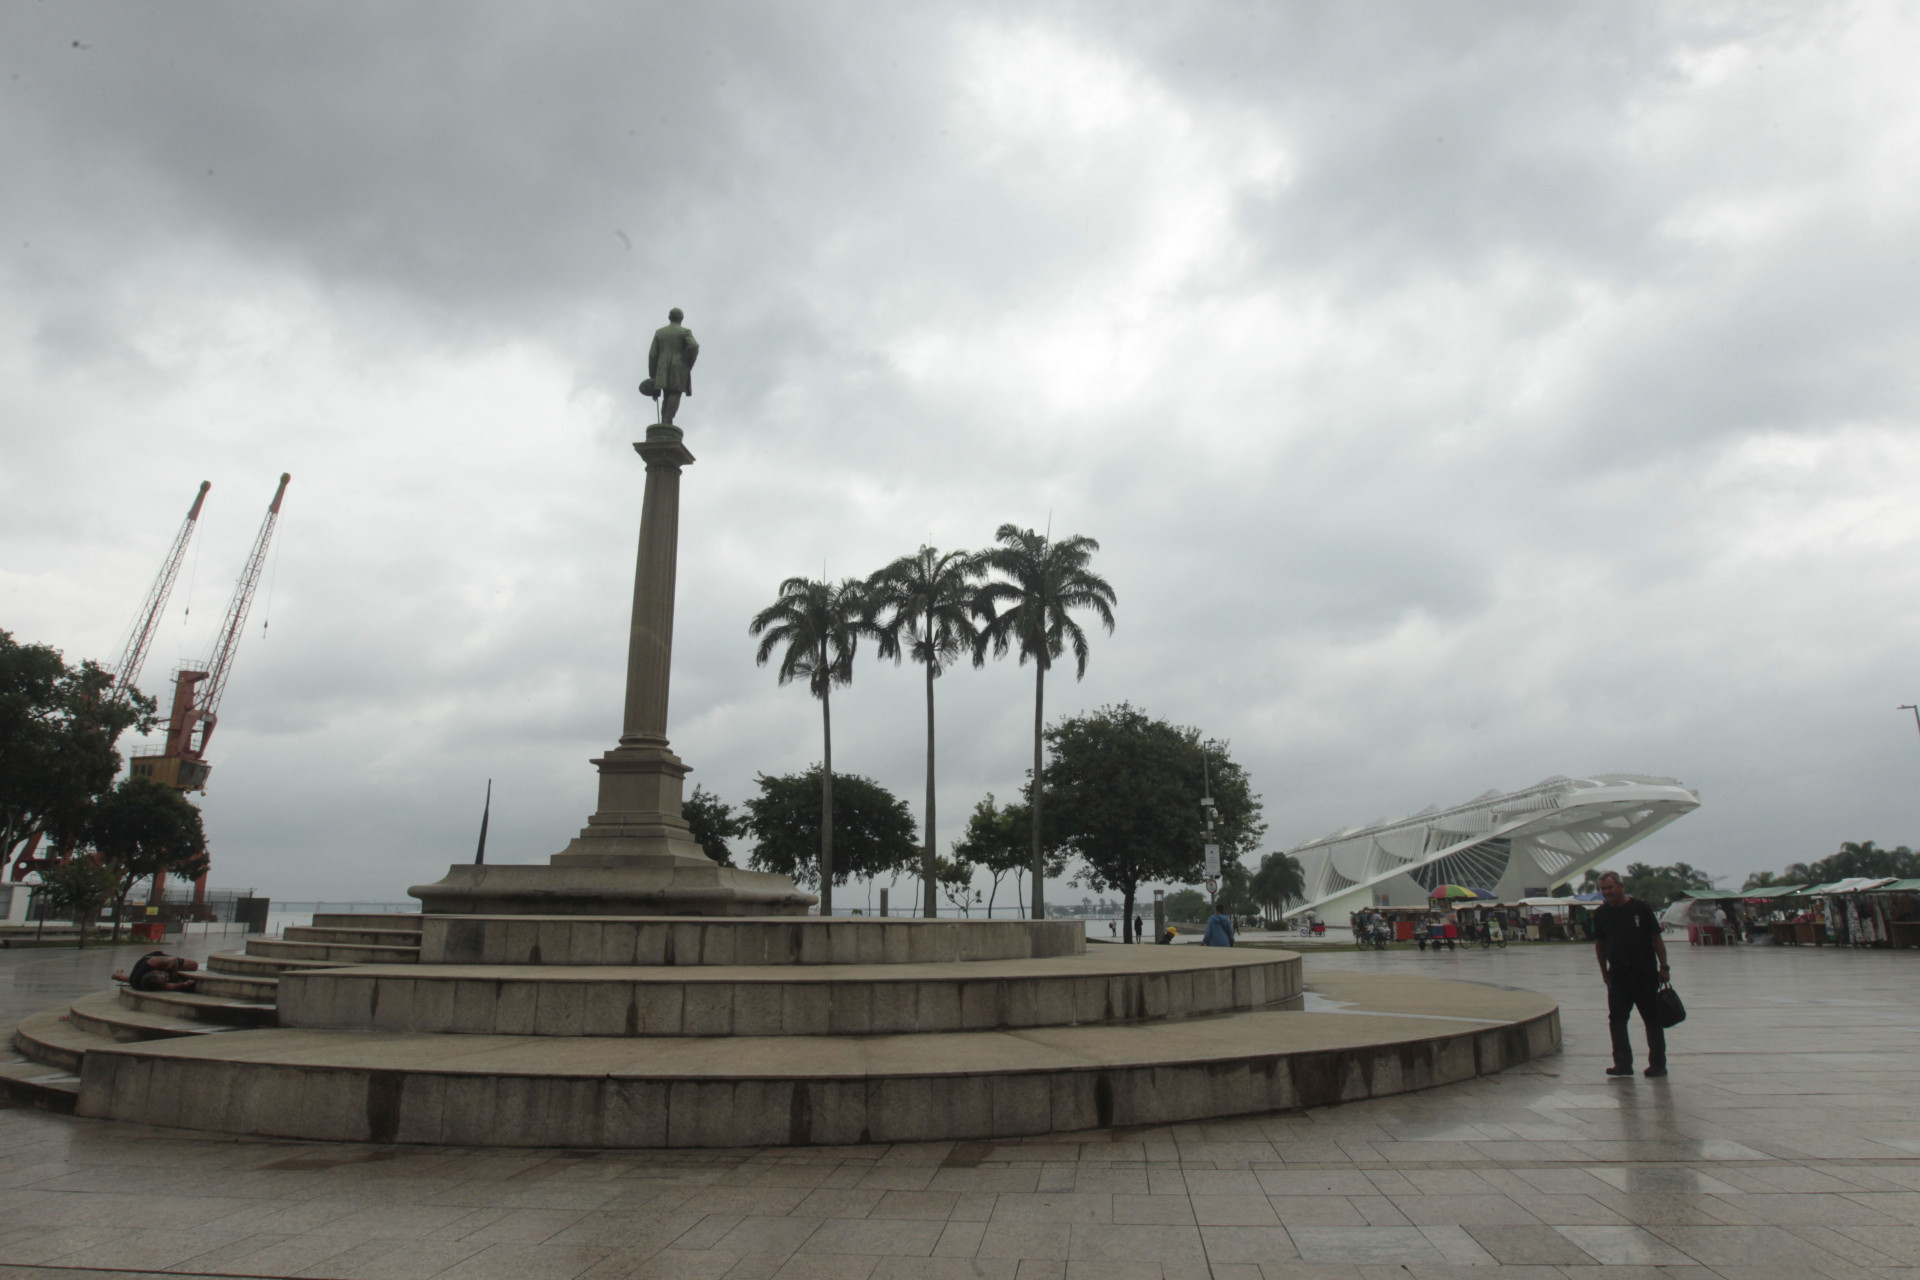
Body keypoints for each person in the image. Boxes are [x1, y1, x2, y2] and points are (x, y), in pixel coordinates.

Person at [1591, 870, 1671, 1077]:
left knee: (1652, 1020)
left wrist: (1664, 966)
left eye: (1610, 887)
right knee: (1617, 1020)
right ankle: (1623, 1063)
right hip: (1618, 977)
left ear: (1621, 886)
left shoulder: (1641, 909)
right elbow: (1600, 944)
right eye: (1603, 889)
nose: (1607, 892)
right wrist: (1604, 972)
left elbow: (1656, 938)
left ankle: (1658, 1064)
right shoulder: (1601, 914)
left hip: (1645, 975)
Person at [645, 307, 700, 425]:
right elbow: (694, 345)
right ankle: (667, 420)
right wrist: (687, 360)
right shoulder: (685, 332)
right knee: (675, 393)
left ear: (669, 318)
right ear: (682, 318)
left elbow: (652, 355)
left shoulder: (660, 332)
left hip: (662, 368)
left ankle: (665, 420)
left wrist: (653, 376)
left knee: (667, 395)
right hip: (679, 366)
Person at [113, 951, 199, 992]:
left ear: (155, 971)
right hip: (146, 971)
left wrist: (173, 978)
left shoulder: (162, 962)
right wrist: (185, 985)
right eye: (165, 980)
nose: (167, 978)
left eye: (164, 977)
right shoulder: (138, 983)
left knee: (194, 965)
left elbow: (174, 960)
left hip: (157, 957)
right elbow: (173, 987)